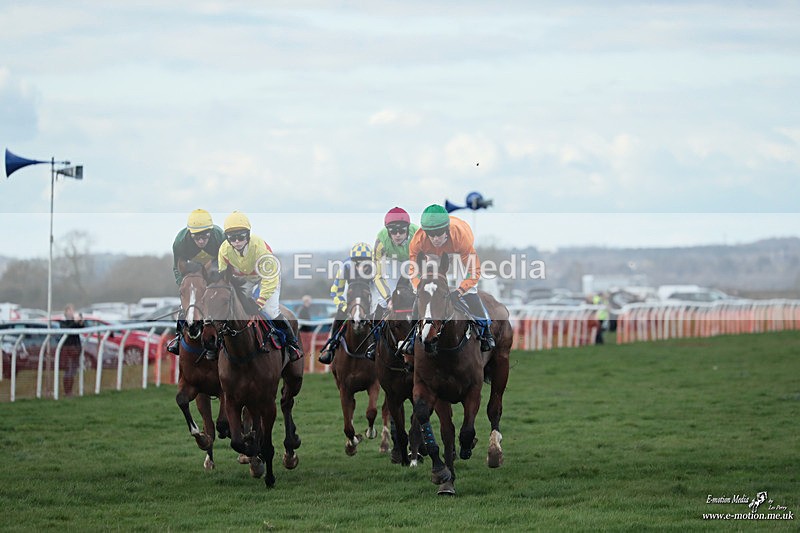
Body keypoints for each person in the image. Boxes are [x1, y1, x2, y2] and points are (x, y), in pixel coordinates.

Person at [407, 204, 496, 352]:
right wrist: (420, 288)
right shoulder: (418, 241)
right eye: (431, 234)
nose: (435, 238)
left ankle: (485, 330)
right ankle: (411, 338)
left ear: (446, 229)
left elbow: (474, 271)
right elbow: (413, 271)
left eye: (439, 233)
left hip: (457, 251)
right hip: (431, 254)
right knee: (422, 293)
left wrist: (459, 291)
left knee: (470, 291)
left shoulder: (461, 237)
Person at [217, 211, 303, 361]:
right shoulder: (224, 250)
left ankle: (292, 344)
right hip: (245, 278)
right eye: (232, 238)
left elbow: (270, 280)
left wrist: (260, 302)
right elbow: (223, 278)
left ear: (248, 235)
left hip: (267, 277)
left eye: (241, 237)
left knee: (270, 310)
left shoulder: (260, 248)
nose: (237, 241)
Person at [167, 209, 226, 355]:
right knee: (187, 301)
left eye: (205, 237)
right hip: (192, 268)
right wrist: (183, 285)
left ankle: (223, 338)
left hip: (213, 267)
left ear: (211, 232)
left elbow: (226, 262)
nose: (201, 241)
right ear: (190, 234)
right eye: (196, 237)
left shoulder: (220, 237)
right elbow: (176, 267)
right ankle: (178, 336)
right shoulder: (180, 242)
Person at [318, 242, 378, 364]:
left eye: (364, 262)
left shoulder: (375, 269)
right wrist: (344, 306)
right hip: (349, 298)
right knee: (339, 317)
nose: (361, 266)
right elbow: (336, 291)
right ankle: (331, 347)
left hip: (370, 298)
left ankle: (381, 347)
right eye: (358, 262)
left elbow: (378, 291)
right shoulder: (345, 267)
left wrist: (373, 308)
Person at [372, 207, 419, 318]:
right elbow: (378, 276)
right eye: (393, 231)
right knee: (387, 299)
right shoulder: (381, 242)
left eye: (402, 231)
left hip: (413, 261)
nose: (398, 235)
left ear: (408, 229)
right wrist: (388, 299)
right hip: (392, 262)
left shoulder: (418, 235)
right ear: (388, 231)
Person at [60, 304, 85, 397]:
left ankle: (70, 391)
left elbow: (82, 327)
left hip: (76, 349)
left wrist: (80, 322)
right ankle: (67, 391)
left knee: (73, 371)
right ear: (66, 312)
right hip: (68, 350)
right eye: (70, 310)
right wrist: (75, 321)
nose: (72, 312)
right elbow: (68, 329)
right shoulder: (63, 323)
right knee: (68, 371)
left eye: (73, 310)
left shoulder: (74, 323)